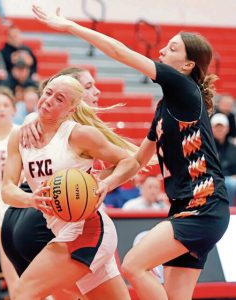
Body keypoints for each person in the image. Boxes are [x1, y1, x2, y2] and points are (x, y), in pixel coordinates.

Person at [32, 6, 230, 300]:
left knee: (134, 265)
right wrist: (105, 184)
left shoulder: (183, 87)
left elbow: (120, 51)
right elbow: (138, 159)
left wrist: (70, 26)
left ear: (188, 65)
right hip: (191, 207)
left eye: (172, 47)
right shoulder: (166, 107)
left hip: (203, 206)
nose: (162, 49)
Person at [2, 74, 139, 300]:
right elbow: (7, 189)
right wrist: (30, 200)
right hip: (59, 228)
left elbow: (129, 161)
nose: (48, 100)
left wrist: (106, 183)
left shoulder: (78, 135)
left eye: (59, 99)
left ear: (71, 109)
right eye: (48, 93)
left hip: (87, 229)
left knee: (23, 294)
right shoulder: (20, 135)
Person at [0, 87, 19, 298]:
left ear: (13, 109)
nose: (1, 109)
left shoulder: (20, 133)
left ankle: (15, 294)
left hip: (10, 196)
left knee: (7, 260)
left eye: (5, 105)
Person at [211, 113, 236, 206]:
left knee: (231, 183)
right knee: (228, 183)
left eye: (221, 127)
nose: (219, 130)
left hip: (230, 179)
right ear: (211, 128)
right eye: (216, 127)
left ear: (227, 128)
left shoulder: (233, 148)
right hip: (211, 179)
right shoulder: (206, 147)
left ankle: (230, 211)